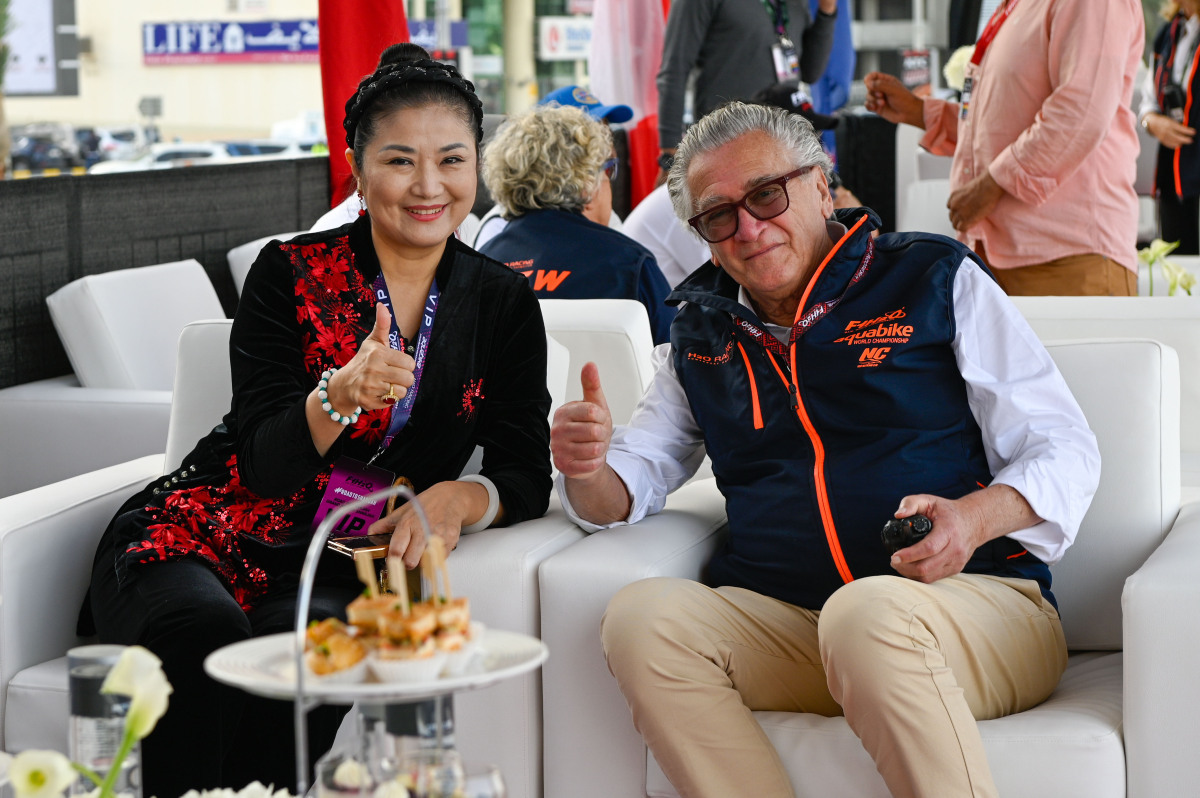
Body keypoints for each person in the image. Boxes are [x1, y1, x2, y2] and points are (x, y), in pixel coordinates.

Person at [550, 101, 1099, 798]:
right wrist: (587, 467)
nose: (749, 228)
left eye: (766, 195)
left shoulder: (930, 277)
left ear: (819, 185)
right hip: (797, 627)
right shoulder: (700, 332)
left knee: (865, 616)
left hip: (975, 610)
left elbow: (1064, 447)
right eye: (719, 215)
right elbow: (626, 486)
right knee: (642, 620)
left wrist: (972, 519)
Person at [83, 47, 552, 798]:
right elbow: (264, 464)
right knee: (201, 637)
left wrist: (456, 499)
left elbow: (525, 469)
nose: (428, 186)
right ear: (358, 170)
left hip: (337, 558)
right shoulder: (288, 272)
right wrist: (337, 396)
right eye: (399, 160)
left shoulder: (504, 303)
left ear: (477, 168)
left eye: (451, 159)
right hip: (200, 530)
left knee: (309, 660)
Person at [863, 0, 1144, 296]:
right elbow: (1004, 122)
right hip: (996, 257)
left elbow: (1081, 113)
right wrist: (920, 112)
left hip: (1068, 257)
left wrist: (992, 185)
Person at [479, 104, 676, 345]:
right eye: (607, 170)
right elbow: (673, 358)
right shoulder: (630, 264)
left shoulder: (481, 265)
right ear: (587, 184)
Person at [655, 0, 838, 185]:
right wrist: (669, 154)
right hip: (726, 146)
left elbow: (810, 72)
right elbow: (674, 70)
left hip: (784, 146)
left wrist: (827, 10)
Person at [471, 85, 632, 251]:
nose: (609, 147)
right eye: (592, 134)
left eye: (607, 132)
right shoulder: (502, 228)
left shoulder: (604, 210)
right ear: (549, 147)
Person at [1139, 0, 1200, 255]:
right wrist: (1152, 122)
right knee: (1176, 263)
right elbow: (1148, 100)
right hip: (1172, 174)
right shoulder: (1168, 33)